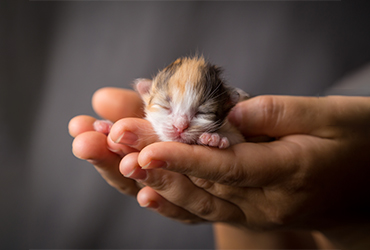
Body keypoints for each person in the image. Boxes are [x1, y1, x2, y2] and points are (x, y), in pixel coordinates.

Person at [69, 78, 370, 249]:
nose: (180, 127)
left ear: (228, 110)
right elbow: (139, 131)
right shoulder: (149, 117)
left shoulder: (230, 127)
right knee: (129, 141)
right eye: (167, 107)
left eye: (200, 114)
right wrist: (115, 134)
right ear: (145, 94)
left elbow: (246, 148)